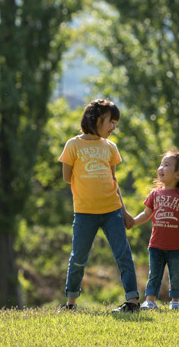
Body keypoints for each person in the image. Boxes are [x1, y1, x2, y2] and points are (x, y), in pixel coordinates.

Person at [58, 99, 140, 313]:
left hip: (112, 211)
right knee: (78, 258)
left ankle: (132, 302)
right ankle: (71, 303)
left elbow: (114, 181)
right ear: (95, 119)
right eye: (110, 122)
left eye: (115, 122)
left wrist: (124, 211)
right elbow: (67, 177)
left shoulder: (110, 147)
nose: (114, 127)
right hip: (85, 213)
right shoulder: (73, 145)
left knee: (123, 254)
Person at [132, 150, 179, 311]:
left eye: (166, 165)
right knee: (154, 274)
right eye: (161, 164)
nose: (161, 168)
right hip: (156, 244)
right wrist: (133, 222)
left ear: (178, 175)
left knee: (176, 274)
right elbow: (146, 214)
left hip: (177, 246)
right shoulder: (155, 194)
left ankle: (175, 301)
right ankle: (150, 301)